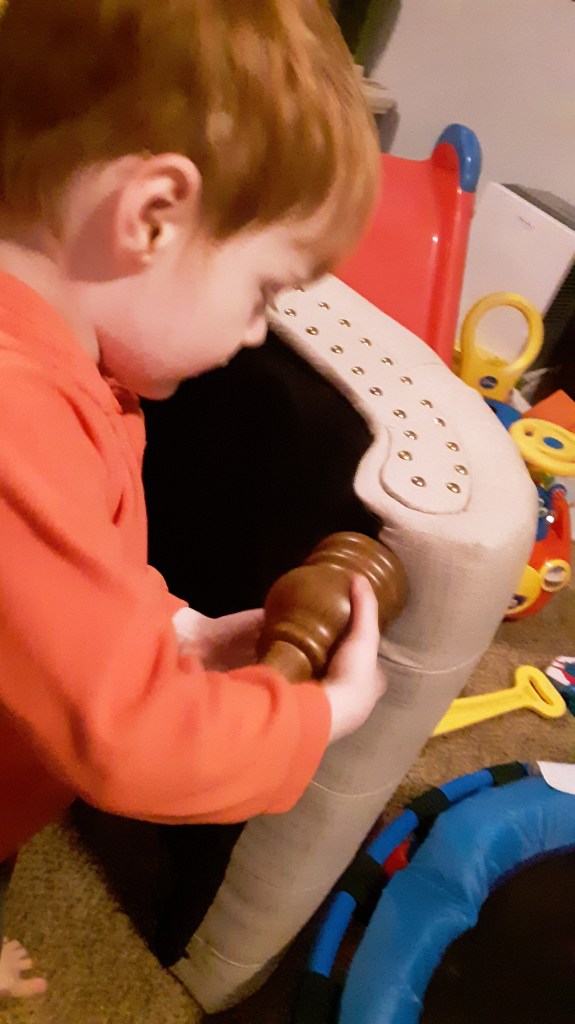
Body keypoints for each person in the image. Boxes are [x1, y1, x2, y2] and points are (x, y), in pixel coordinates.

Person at [0, 0, 384, 999]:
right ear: (152, 216)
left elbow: (52, 573)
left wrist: (169, 629)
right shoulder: (15, 419)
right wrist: (320, 717)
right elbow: (130, 742)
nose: (257, 333)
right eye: (265, 291)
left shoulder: (57, 362)